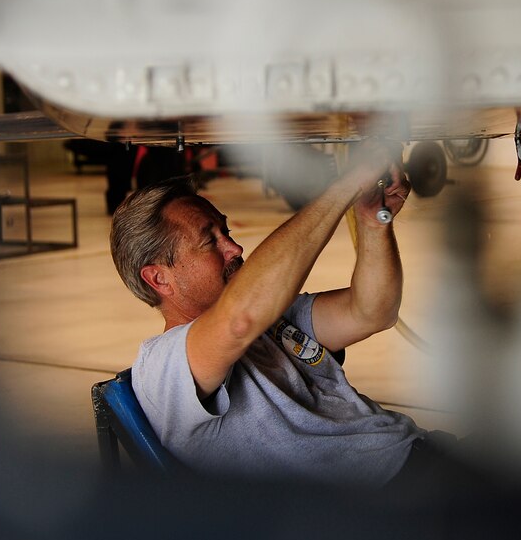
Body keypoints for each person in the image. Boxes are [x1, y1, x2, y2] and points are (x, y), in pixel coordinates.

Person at [109, 143, 447, 487]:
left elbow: (371, 312)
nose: (235, 248)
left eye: (226, 232)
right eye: (210, 242)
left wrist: (373, 223)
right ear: (158, 279)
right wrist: (346, 185)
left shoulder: (269, 321)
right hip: (388, 495)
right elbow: (240, 319)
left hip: (420, 458)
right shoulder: (162, 366)